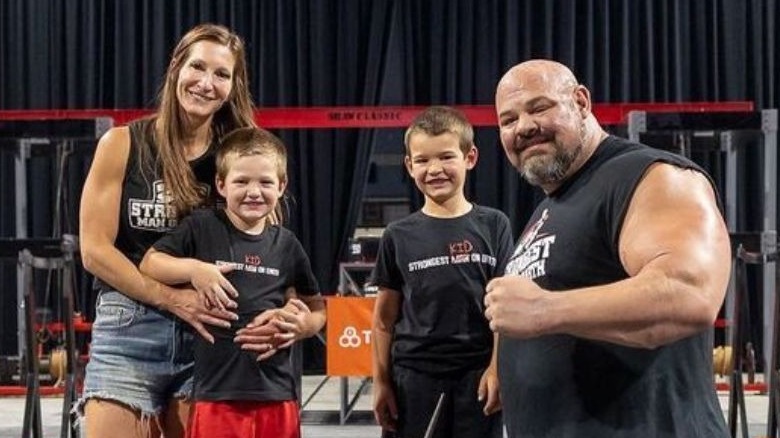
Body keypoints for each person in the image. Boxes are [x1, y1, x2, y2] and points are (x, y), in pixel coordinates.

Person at [485, 59, 731, 437]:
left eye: (539, 107)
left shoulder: (652, 175)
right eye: (508, 120)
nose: (524, 127)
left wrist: (543, 310)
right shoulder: (551, 206)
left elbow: (689, 293)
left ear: (581, 102)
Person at [78, 23, 260, 437]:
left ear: (234, 85)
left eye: (221, 74)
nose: (206, 83)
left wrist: (291, 312)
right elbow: (94, 250)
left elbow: (264, 245)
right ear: (176, 68)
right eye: (197, 67)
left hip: (210, 330)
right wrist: (171, 298)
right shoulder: (123, 143)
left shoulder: (240, 154)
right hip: (128, 325)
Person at [138, 126, 326, 438]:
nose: (254, 191)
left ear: (282, 186)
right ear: (221, 184)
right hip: (217, 396)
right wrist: (194, 270)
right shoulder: (202, 227)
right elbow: (150, 262)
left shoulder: (287, 244)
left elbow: (317, 309)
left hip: (277, 396)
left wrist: (302, 325)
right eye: (242, 181)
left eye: (265, 182)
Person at [371, 106, 513, 438]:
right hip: (413, 379)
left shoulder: (494, 225)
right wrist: (380, 382)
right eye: (422, 160)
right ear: (409, 165)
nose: (434, 169)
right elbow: (383, 320)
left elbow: (504, 313)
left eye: (446, 157)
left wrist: (497, 368)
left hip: (477, 377)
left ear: (470, 157)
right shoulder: (397, 235)